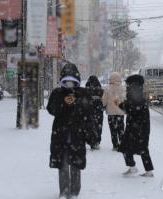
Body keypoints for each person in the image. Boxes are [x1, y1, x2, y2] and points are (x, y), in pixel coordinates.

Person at [47, 63, 96, 199]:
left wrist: (76, 103)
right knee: (62, 164)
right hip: (60, 136)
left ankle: (74, 192)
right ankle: (64, 192)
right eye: (66, 82)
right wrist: (63, 104)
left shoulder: (83, 93)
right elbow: (51, 109)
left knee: (76, 164)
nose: (69, 85)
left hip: (77, 135)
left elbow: (89, 112)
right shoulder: (57, 93)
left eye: (72, 82)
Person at [118, 75, 154, 177]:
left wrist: (121, 105)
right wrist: (122, 105)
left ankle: (134, 168)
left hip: (137, 127)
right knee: (140, 148)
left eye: (128, 84)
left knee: (126, 147)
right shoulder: (136, 92)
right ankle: (147, 170)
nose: (126, 86)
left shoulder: (135, 93)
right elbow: (132, 107)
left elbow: (132, 108)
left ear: (133, 84)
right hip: (138, 127)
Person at [102, 72, 126, 151]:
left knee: (113, 129)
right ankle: (122, 144)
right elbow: (125, 100)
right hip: (120, 112)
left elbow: (104, 101)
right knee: (121, 129)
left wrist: (104, 105)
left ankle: (115, 145)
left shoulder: (107, 88)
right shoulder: (123, 88)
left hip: (111, 113)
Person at [85, 75, 104, 150]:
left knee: (90, 125)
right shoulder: (100, 90)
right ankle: (97, 141)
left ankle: (91, 140)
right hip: (99, 109)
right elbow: (104, 99)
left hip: (89, 109)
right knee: (98, 125)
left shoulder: (86, 90)